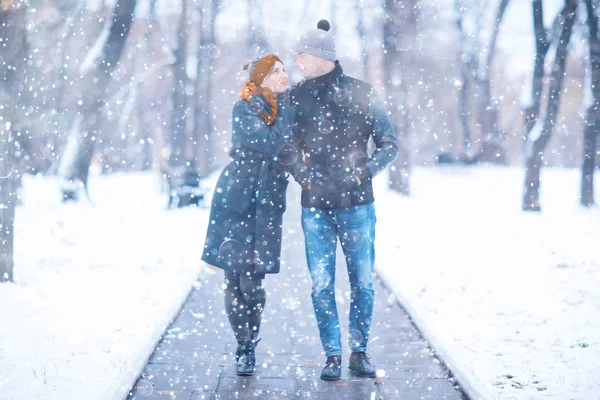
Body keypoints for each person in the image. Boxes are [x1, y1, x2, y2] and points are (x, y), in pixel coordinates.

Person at [288, 20, 399, 381]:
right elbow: (286, 150)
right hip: (314, 209)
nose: (297, 61)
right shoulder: (295, 97)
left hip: (358, 207)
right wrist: (305, 176)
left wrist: (363, 172)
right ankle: (332, 355)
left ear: (320, 57)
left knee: (362, 283)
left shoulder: (363, 92)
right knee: (321, 285)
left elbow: (389, 144)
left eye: (301, 55)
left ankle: (359, 352)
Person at [201, 54, 293, 376]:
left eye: (285, 69)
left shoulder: (283, 109)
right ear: (262, 78)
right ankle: (243, 346)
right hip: (236, 199)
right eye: (277, 71)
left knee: (253, 283)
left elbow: (290, 152)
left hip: (266, 201)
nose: (285, 75)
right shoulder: (244, 107)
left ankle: (251, 336)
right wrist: (287, 118)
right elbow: (268, 143)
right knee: (234, 280)